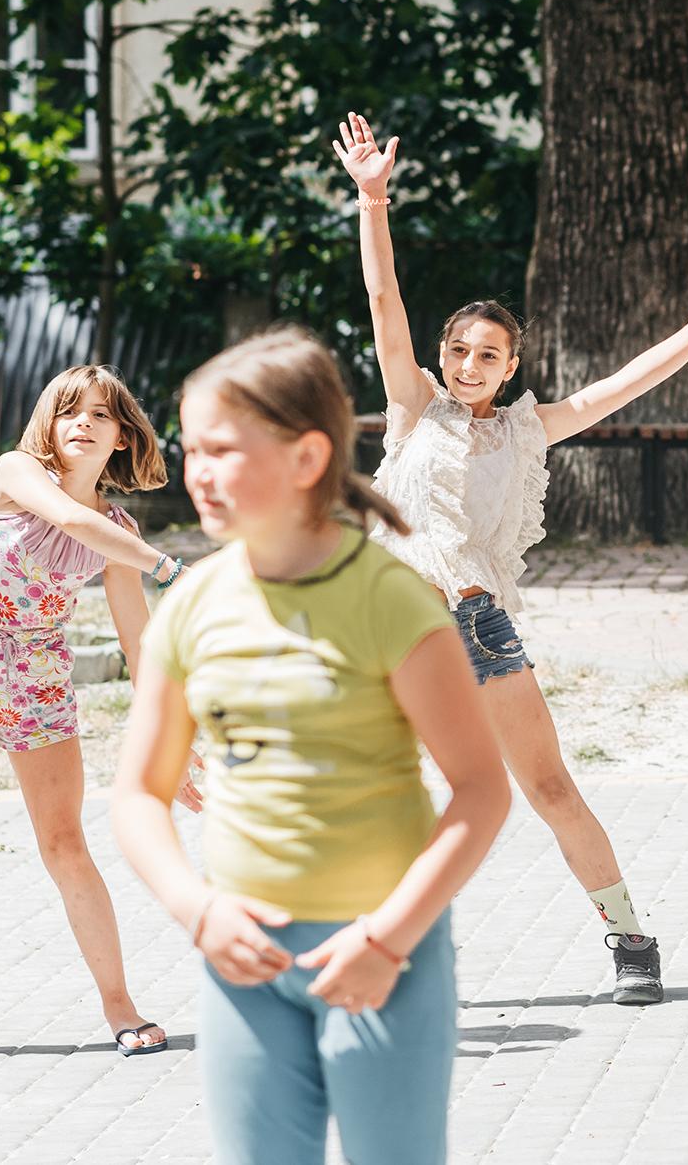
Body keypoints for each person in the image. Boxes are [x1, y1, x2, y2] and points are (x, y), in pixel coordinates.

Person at [333, 112, 688, 1005]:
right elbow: (386, 303)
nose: (466, 363)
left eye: (486, 354)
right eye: (458, 349)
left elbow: (622, 387)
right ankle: (376, 947)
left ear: (510, 365)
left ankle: (631, 939)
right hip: (389, 625)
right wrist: (372, 202)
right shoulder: (415, 407)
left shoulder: (530, 428)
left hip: (476, 624)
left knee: (545, 784)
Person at [111, 328, 509, 1165]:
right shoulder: (187, 608)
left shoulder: (394, 602)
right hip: (243, 963)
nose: (199, 471)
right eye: (192, 449)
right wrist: (200, 911)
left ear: (306, 458)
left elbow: (480, 790)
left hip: (385, 959)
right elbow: (138, 796)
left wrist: (389, 937)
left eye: (223, 449)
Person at [0, 365, 189, 1061]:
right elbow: (67, 517)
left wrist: (170, 741)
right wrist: (171, 566)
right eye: (68, 412)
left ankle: (121, 1008)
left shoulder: (118, 528)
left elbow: (137, 641)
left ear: (122, 436)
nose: (82, 424)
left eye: (99, 414)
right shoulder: (15, 472)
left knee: (66, 846)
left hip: (38, 677)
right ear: (49, 425)